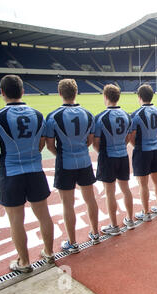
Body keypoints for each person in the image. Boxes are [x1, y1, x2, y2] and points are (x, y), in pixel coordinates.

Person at [0, 75, 55, 272]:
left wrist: (3, 162)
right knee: (44, 215)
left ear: (2, 93)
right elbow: (41, 144)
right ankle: (49, 253)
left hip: (11, 172)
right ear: (23, 91)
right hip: (35, 170)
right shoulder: (38, 115)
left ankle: (24, 262)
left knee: (16, 220)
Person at [45, 79, 100, 253]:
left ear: (60, 93)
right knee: (90, 199)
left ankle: (72, 242)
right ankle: (95, 233)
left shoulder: (53, 116)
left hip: (65, 162)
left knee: (67, 204)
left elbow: (49, 145)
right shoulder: (88, 114)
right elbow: (90, 140)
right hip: (84, 160)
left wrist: (61, 154)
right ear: (76, 93)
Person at [93, 84, 134, 234]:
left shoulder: (100, 117)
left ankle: (114, 226)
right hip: (123, 155)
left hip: (108, 157)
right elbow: (128, 137)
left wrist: (103, 152)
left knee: (110, 192)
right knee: (126, 189)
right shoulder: (126, 115)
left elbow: (95, 143)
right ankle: (130, 220)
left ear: (105, 97)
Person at [130, 84, 157, 222]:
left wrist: (137, 146)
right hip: (156, 149)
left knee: (143, 184)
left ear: (139, 97)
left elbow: (132, 137)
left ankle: (146, 212)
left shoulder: (136, 114)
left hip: (142, 151)